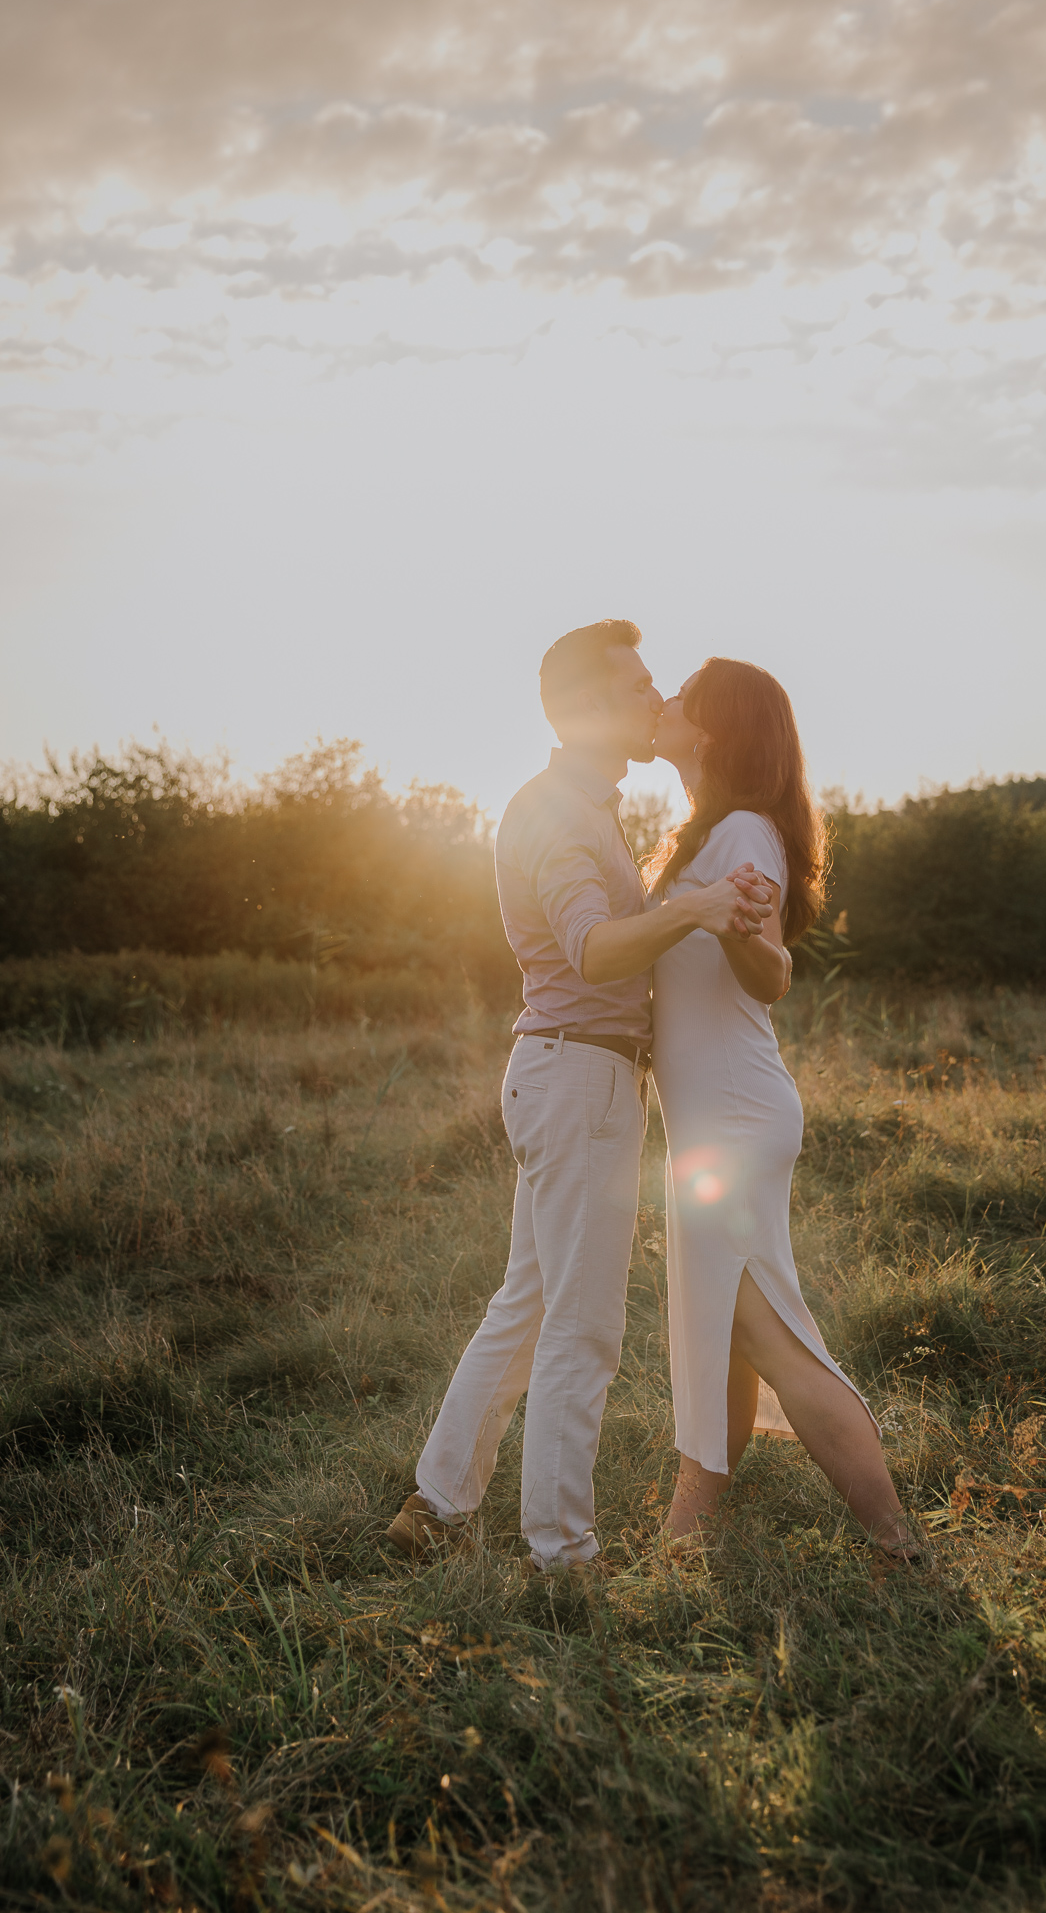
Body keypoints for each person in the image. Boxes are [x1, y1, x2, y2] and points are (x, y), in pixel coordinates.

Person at [388, 620, 774, 1574]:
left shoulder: (585, 805)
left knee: (526, 1303)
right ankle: (563, 1553)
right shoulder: (559, 812)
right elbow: (593, 948)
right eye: (640, 685)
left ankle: (436, 1505)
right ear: (591, 709)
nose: (657, 700)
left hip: (568, 1072)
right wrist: (691, 905)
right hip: (580, 1080)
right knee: (583, 1326)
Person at [647, 658, 916, 1561]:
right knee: (720, 1326)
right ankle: (689, 1535)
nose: (666, 702)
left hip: (732, 1112)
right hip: (715, 1114)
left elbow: (771, 972)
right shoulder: (709, 832)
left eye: (682, 694)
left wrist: (737, 926)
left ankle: (897, 1540)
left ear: (711, 728)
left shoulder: (745, 835)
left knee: (765, 1327)